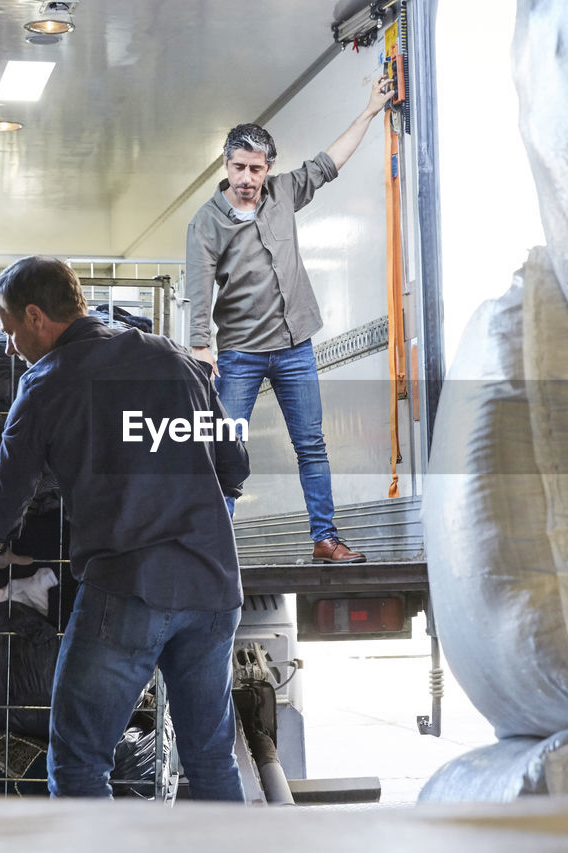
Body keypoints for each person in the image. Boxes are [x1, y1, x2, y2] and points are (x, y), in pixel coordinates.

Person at [0, 255, 250, 801]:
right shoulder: (172, 358)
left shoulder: (45, 383)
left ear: (35, 317)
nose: (9, 348)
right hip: (214, 588)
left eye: (9, 331)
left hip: (128, 591)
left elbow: (9, 488)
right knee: (211, 757)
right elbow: (234, 464)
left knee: (78, 763)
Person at [185, 77, 392, 565]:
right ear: (225, 164)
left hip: (296, 346)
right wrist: (199, 346)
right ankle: (214, 550)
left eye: (256, 169)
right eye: (239, 167)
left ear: (268, 168)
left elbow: (328, 163)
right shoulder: (205, 223)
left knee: (311, 445)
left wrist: (368, 112)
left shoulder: (283, 193)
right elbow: (198, 290)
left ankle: (325, 538)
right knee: (225, 451)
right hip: (239, 354)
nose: (247, 178)